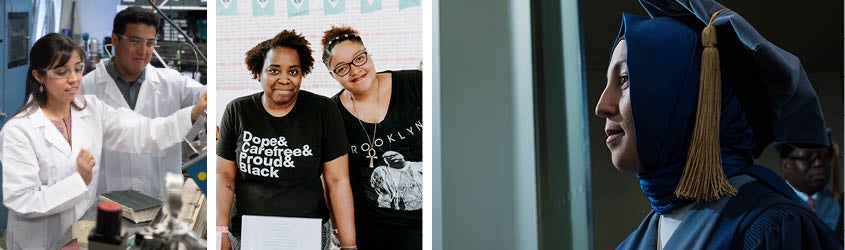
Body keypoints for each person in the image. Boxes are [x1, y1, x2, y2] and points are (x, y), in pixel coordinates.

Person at [595, 1, 842, 249]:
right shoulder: (632, 243)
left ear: (686, 99)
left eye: (624, 79)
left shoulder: (773, 230)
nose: (601, 105)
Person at [0, 33, 206, 250]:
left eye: (78, 69)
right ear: (39, 76)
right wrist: (79, 181)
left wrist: (192, 114)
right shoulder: (18, 130)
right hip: (38, 242)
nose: (73, 79)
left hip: (78, 237)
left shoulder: (91, 109)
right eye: (61, 72)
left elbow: (142, 132)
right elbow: (22, 201)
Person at [216, 30, 356, 250]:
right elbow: (224, 175)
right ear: (258, 72)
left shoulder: (323, 110)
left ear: (302, 74)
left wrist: (349, 245)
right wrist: (220, 234)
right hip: (247, 235)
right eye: (273, 70)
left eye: (293, 71)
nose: (284, 79)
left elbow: (337, 181)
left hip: (307, 235)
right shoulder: (238, 110)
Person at [81, 6, 206, 200]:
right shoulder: (86, 89)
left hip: (164, 197)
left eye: (150, 43)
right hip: (108, 199)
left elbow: (206, 97)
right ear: (115, 40)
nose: (143, 51)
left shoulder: (173, 82)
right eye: (135, 41)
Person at [321, 25, 422, 250]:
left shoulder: (415, 84)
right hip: (371, 227)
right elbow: (334, 180)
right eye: (342, 68)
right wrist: (342, 236)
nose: (355, 70)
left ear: (368, 54)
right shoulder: (332, 113)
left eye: (359, 58)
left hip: (426, 221)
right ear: (332, 75)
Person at [774, 132, 843, 233]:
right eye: (807, 157)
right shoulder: (774, 205)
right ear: (786, 165)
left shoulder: (839, 203)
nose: (818, 163)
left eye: (824, 156)